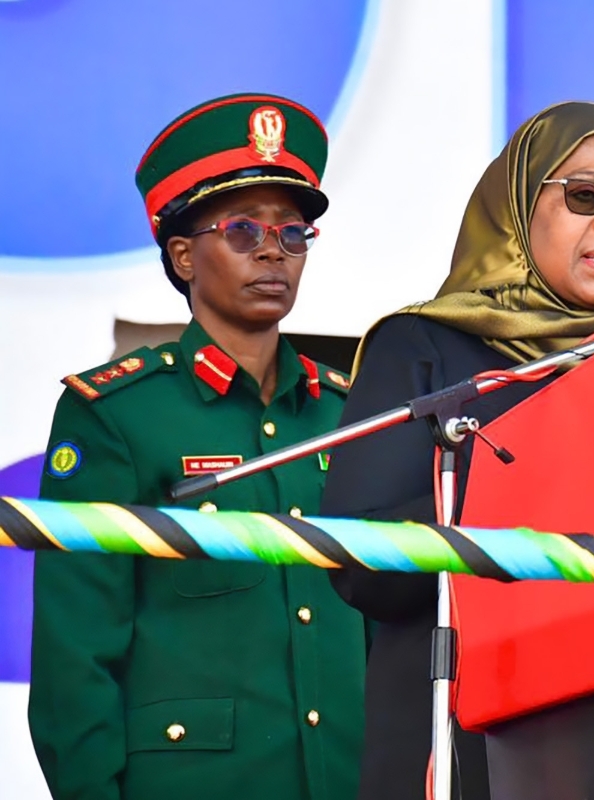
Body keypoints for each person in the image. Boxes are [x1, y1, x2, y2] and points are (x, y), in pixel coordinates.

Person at [320, 101, 594, 800]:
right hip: (467, 745)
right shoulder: (426, 348)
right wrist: (523, 485)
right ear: (516, 207)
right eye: (585, 195)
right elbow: (363, 571)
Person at [30, 93, 366, 800]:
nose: (274, 249)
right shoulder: (118, 415)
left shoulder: (351, 414)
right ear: (183, 255)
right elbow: (75, 658)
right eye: (243, 229)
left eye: (293, 232)